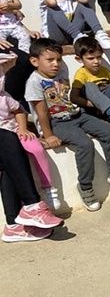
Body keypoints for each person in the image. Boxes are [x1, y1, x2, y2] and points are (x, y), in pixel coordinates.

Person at [25, 38, 110, 212]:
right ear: (34, 61)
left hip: (77, 114)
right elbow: (42, 113)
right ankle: (85, 187)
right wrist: (48, 135)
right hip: (58, 123)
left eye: (59, 59)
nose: (56, 64)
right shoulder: (34, 82)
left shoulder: (61, 70)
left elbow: (66, 97)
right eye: (50, 60)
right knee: (85, 144)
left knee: (108, 131)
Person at [0, 51, 62, 235]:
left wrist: (22, 128)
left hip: (7, 138)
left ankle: (13, 225)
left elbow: (10, 57)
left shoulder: (4, 96)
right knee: (7, 141)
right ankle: (32, 204)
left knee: (8, 167)